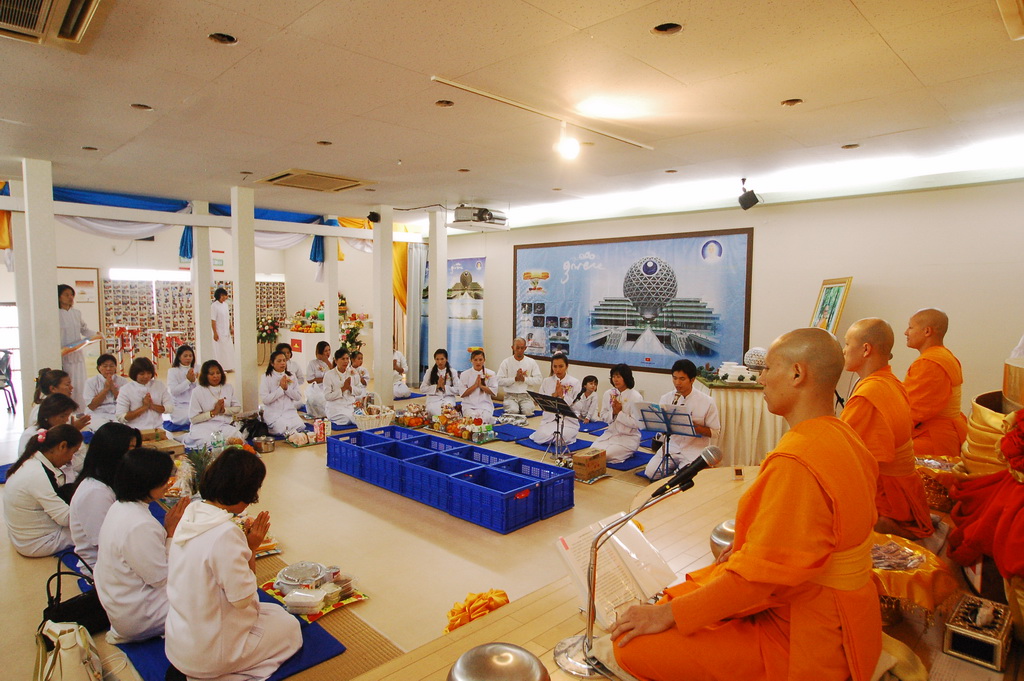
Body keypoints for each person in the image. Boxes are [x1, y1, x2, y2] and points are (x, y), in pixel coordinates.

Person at [609, 328, 882, 681]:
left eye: (767, 368)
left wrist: (666, 616)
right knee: (686, 593)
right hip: (848, 613)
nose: (761, 378)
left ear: (797, 374)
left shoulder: (798, 460)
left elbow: (755, 583)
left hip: (807, 633)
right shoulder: (846, 436)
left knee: (632, 645)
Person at [165, 447, 301, 680]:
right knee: (290, 628)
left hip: (179, 643)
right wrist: (251, 548)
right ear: (245, 492)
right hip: (209, 653)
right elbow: (242, 599)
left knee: (274, 613)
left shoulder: (190, 514)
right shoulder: (225, 533)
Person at [842, 318, 934, 539]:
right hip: (905, 489)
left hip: (890, 498)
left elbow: (845, 452)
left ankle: (881, 524)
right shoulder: (891, 381)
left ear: (866, 349)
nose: (843, 350)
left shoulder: (870, 394)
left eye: (847, 344)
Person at [95, 447, 190, 643]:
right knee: (207, 589)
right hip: (140, 615)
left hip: (122, 602)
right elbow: (160, 578)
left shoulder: (120, 506)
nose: (168, 483)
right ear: (146, 483)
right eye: (163, 480)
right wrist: (171, 533)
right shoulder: (139, 524)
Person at [2, 425, 83, 557]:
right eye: (73, 452)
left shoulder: (31, 460)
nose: (71, 459)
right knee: (93, 530)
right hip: (36, 543)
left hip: (21, 537)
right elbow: (65, 518)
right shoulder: (37, 474)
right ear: (62, 446)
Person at [70, 423, 142, 570]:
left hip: (118, 555)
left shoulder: (110, 479)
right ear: (112, 452)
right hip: (103, 566)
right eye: (130, 449)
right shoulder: (95, 493)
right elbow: (105, 543)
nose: (135, 455)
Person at [903, 308, 968, 459]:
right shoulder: (944, 356)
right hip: (947, 430)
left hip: (933, 438)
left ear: (927, 331)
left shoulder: (929, 362)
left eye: (910, 327)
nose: (906, 332)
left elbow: (915, 410)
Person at [643, 359, 721, 481]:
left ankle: (679, 473)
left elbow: (715, 433)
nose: (677, 383)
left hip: (694, 449)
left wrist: (694, 427)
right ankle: (677, 473)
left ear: (692, 379)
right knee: (651, 473)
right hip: (672, 446)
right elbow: (660, 427)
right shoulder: (666, 398)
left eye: (682, 379)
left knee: (682, 478)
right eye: (674, 378)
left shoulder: (707, 402)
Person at [58, 284, 101, 406]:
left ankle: (80, 409)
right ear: (59, 297)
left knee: (80, 382)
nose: (70, 297)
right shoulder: (55, 313)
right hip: (63, 354)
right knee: (66, 382)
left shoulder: (77, 313)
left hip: (77, 353)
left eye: (72, 295)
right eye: (66, 295)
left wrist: (97, 334)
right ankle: (66, 408)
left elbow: (84, 330)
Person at [592, 364, 643, 464]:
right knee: (592, 452)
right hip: (610, 435)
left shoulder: (635, 397)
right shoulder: (608, 394)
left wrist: (619, 413)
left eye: (618, 376)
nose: (615, 379)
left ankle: (627, 453)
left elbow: (637, 423)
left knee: (605, 455)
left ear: (626, 377)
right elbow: (603, 415)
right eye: (613, 376)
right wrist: (613, 413)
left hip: (628, 438)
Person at [186, 360, 244, 448]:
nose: (216, 376)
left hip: (222, 425)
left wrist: (224, 410)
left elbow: (237, 408)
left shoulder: (228, 387)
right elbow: (193, 419)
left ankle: (224, 443)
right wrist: (213, 412)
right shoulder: (197, 391)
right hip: (203, 426)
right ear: (205, 376)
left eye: (218, 373)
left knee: (238, 436)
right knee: (204, 441)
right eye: (212, 374)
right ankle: (224, 444)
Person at [530, 352, 581, 450]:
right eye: (555, 366)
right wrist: (554, 395)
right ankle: (550, 438)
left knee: (560, 438)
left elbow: (578, 407)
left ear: (567, 366)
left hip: (568, 422)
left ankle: (556, 439)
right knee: (539, 437)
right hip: (550, 420)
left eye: (561, 366)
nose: (557, 370)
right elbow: (541, 402)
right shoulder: (547, 381)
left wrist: (563, 396)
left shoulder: (574, 382)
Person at [18, 393, 89, 462]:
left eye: (68, 416)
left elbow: (82, 457)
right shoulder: (30, 434)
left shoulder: (64, 431)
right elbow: (26, 462)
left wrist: (73, 433)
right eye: (62, 416)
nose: (66, 420)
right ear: (48, 415)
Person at [116, 357, 173, 430]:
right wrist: (144, 407)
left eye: (149, 373)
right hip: (135, 430)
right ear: (135, 374)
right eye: (142, 374)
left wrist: (151, 406)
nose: (146, 376)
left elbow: (170, 408)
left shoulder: (159, 385)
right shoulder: (126, 390)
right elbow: (121, 417)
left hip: (158, 429)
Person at [260, 350, 305, 436]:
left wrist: (287, 389)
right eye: (279, 361)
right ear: (272, 363)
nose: (283, 363)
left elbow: (298, 397)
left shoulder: (291, 376)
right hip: (275, 415)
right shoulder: (266, 377)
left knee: (301, 426)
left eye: (284, 360)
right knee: (282, 429)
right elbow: (265, 400)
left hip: (290, 413)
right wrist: (281, 389)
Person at [496, 338, 542, 415]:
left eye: (522, 348)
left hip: (526, 396)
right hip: (510, 395)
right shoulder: (506, 362)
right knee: (513, 411)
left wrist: (524, 379)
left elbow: (539, 379)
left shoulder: (531, 362)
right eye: (517, 348)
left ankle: (522, 407)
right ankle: (515, 407)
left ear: (525, 348)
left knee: (527, 412)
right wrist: (515, 379)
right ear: (512, 347)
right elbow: (499, 381)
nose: (520, 350)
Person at [83, 354, 129, 431]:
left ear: (115, 367)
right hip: (97, 413)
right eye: (105, 366)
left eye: (111, 366)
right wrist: (106, 389)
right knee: (103, 430)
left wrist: (113, 388)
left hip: (117, 412)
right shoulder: (90, 382)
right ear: (99, 368)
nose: (108, 369)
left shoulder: (122, 381)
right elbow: (92, 406)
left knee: (122, 429)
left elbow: (125, 402)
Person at [323, 349, 365, 426]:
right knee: (347, 419)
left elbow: (359, 391)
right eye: (343, 359)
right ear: (336, 361)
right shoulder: (329, 375)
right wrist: (343, 388)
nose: (346, 361)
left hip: (350, 406)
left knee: (363, 417)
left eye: (347, 359)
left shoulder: (353, 372)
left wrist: (350, 388)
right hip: (335, 407)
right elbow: (327, 396)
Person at [460, 349, 498, 423]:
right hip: (469, 406)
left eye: (480, 360)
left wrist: (481, 386)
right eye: (475, 360)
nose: (478, 362)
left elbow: (494, 392)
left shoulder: (491, 373)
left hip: (485, 405)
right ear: (471, 360)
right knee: (472, 421)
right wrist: (475, 385)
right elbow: (462, 394)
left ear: (484, 360)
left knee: (484, 420)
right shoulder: (464, 374)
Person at [422, 349, 461, 417]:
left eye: (442, 359)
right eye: (437, 359)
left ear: (446, 359)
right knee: (434, 411)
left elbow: (458, 390)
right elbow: (422, 388)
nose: (440, 362)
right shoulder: (429, 371)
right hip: (433, 399)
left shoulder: (453, 372)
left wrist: (444, 387)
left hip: (448, 399)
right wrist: (436, 386)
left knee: (447, 412)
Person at [166, 345, 198, 427]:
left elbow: (203, 388)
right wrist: (188, 381)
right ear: (179, 357)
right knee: (188, 417)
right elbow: (174, 391)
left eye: (190, 356)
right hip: (180, 406)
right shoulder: (173, 371)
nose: (188, 358)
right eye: (185, 356)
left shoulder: (197, 368)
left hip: (196, 403)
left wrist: (195, 381)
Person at [305, 341, 333, 419]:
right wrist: (325, 379)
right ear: (320, 352)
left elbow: (334, 374)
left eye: (329, 350)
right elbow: (309, 380)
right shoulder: (312, 363)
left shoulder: (330, 363)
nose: (328, 353)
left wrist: (327, 362)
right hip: (316, 387)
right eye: (325, 351)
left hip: (329, 387)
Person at [211, 287, 234, 372]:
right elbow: (213, 320)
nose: (225, 297)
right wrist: (215, 333)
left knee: (228, 349)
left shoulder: (225, 305)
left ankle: (229, 366)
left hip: (226, 331)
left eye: (225, 295)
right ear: (219, 295)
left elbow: (228, 318)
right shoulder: (214, 306)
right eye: (223, 295)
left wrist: (231, 327)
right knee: (220, 350)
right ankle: (221, 367)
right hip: (219, 331)